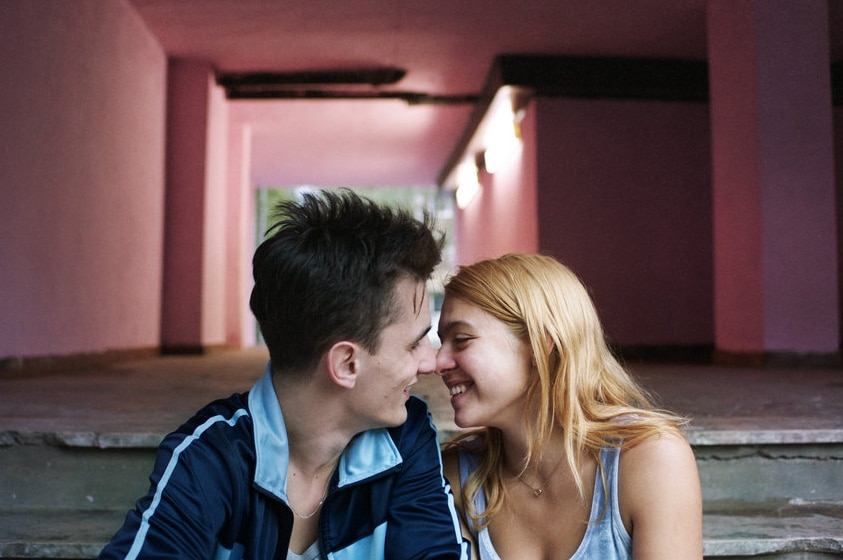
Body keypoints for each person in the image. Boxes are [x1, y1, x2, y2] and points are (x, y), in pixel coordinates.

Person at [100, 189, 469, 559]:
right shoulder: (210, 458)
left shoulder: (405, 436)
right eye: (414, 344)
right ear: (346, 364)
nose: (432, 362)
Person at [435, 253, 702, 559]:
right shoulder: (456, 478)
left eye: (462, 339)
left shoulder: (650, 461)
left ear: (540, 344)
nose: (437, 362)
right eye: (441, 341)